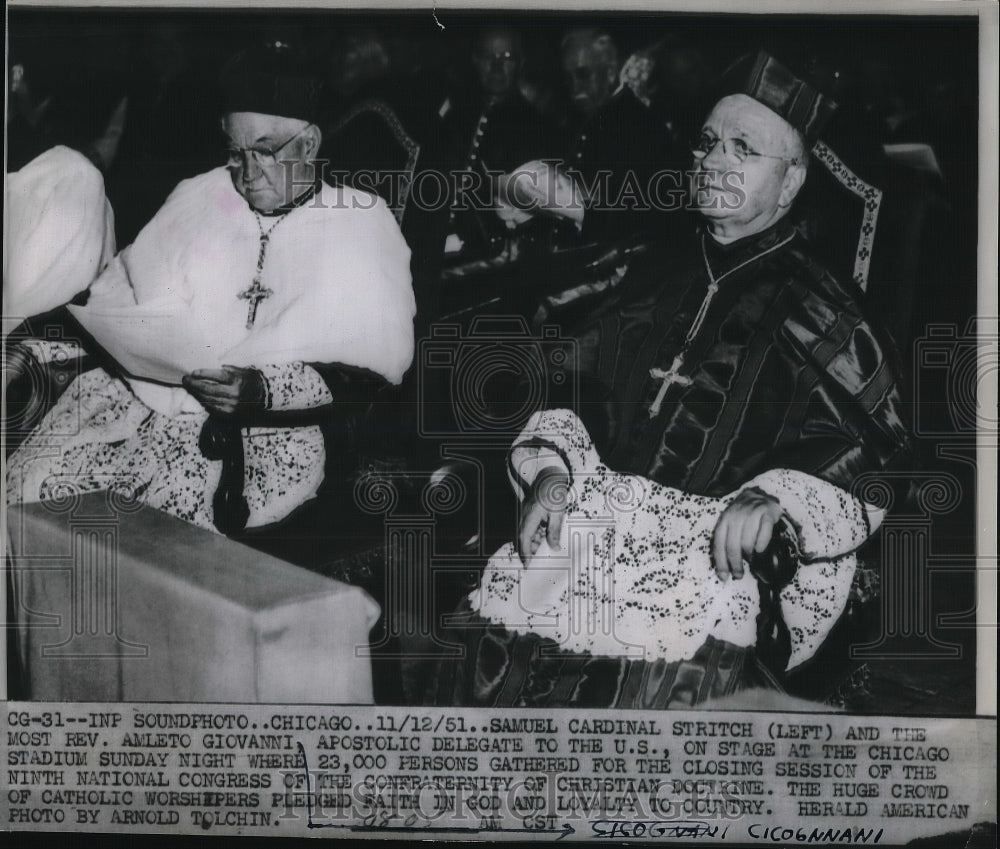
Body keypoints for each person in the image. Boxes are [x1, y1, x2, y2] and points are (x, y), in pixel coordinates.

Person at [416, 50, 910, 709]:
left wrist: (777, 504)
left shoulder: (821, 309)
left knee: (652, 692)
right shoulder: (651, 264)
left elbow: (869, 448)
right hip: (599, 510)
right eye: (707, 143)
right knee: (493, 651)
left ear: (790, 183)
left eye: (744, 148)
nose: (715, 160)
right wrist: (554, 472)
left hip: (714, 544)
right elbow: (576, 382)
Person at [6, 41, 415, 535]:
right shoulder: (202, 194)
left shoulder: (358, 221)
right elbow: (123, 285)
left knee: (142, 540)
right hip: (147, 403)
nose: (245, 172)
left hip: (260, 435)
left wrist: (259, 391)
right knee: (37, 490)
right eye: (235, 152)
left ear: (308, 145)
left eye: (263, 151)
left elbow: (369, 370)